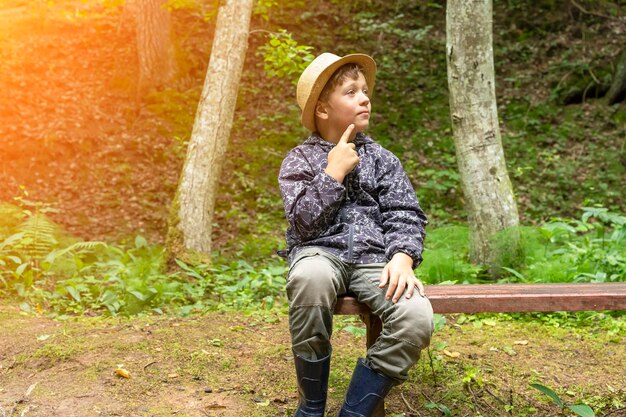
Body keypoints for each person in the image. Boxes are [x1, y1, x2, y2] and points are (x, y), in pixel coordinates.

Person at [278, 52, 434, 417]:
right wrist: (331, 174)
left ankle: (354, 411)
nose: (364, 97)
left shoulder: (383, 159)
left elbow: (405, 213)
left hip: (375, 261)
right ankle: (312, 406)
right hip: (318, 253)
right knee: (310, 278)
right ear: (322, 109)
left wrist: (402, 256)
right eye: (351, 92)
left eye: (365, 90)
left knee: (416, 316)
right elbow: (301, 225)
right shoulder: (299, 161)